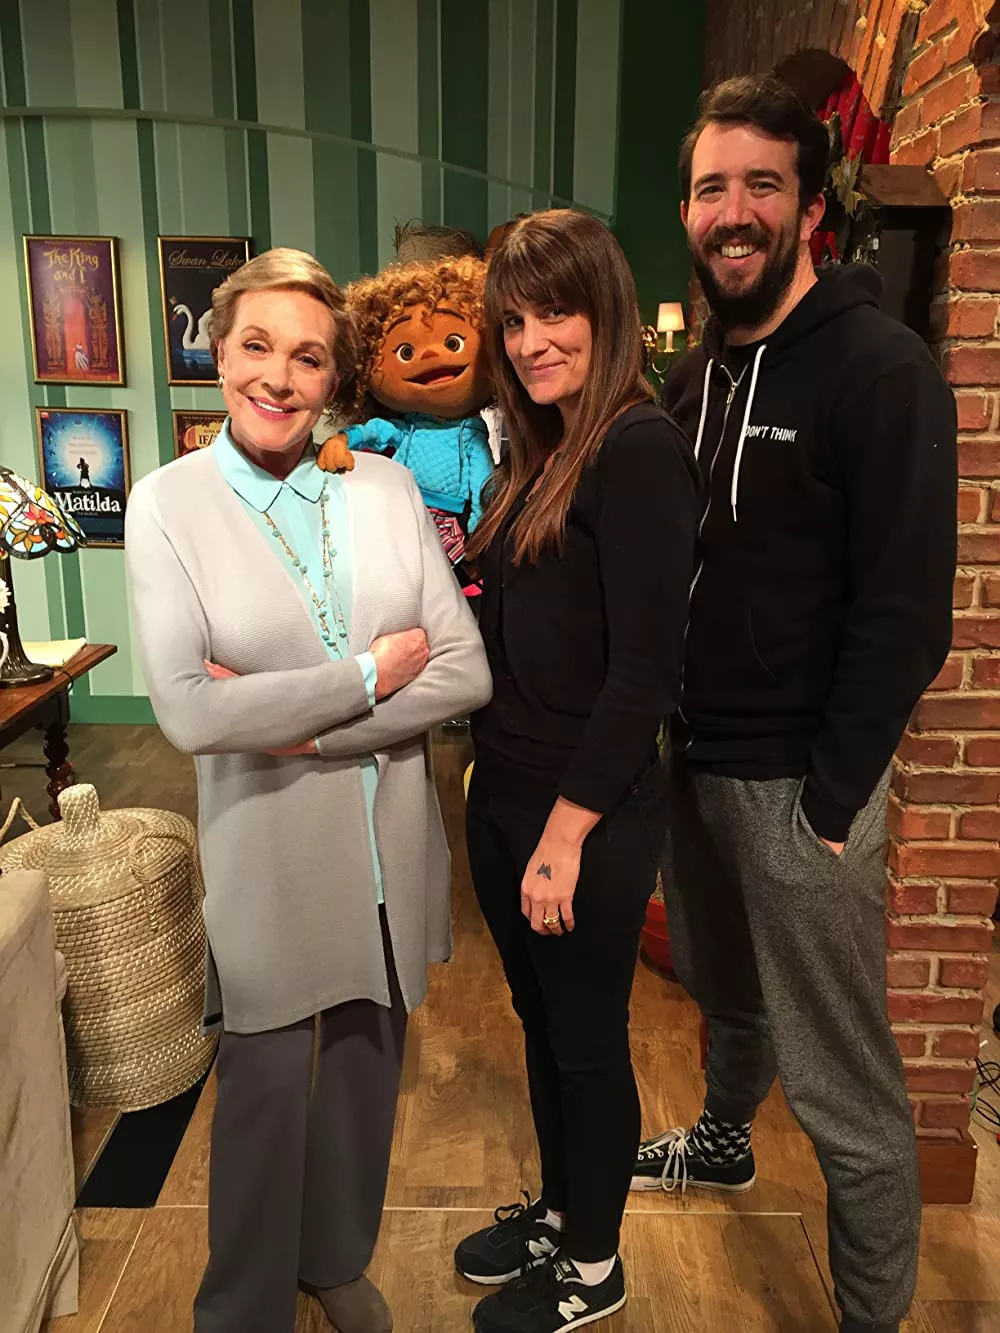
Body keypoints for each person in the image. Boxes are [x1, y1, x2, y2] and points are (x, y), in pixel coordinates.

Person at [630, 77, 957, 1333]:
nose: (733, 211)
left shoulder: (880, 371)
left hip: (800, 789)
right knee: (725, 989)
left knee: (841, 1082)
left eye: (762, 185)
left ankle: (872, 1314)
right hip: (696, 760)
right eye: (711, 188)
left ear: (811, 208)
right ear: (686, 211)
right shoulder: (695, 377)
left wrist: (830, 802)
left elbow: (905, 614)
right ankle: (722, 1141)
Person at [124, 247, 491, 1333]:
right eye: (257, 346)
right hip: (270, 851)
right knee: (267, 1088)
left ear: (337, 377)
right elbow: (189, 709)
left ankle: (336, 1256)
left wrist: (302, 727)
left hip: (391, 839)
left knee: (371, 1071)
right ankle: (241, 1304)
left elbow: (465, 669)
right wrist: (371, 677)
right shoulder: (166, 505)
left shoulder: (385, 487)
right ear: (218, 353)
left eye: (309, 357)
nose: (278, 378)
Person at [454, 210, 700, 1332]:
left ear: (605, 311)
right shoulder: (539, 453)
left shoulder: (637, 448)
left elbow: (645, 674)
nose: (532, 341)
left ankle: (595, 1266)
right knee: (541, 1024)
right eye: (513, 321)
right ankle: (561, 1213)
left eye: (555, 312)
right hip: (505, 792)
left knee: (589, 1043)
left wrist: (562, 836)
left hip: (582, 815)